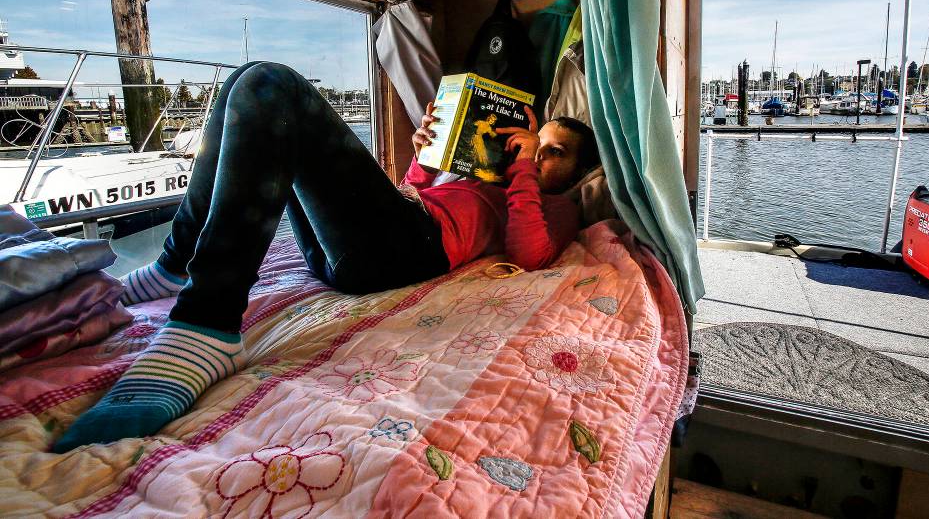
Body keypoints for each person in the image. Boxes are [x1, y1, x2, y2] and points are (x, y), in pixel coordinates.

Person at [54, 61, 599, 453]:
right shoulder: (481, 178)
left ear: (576, 172)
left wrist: (525, 169)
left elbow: (531, 254)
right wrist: (425, 158)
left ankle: (207, 323)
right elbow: (413, 198)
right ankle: (180, 262)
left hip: (410, 252)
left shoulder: (556, 204)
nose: (538, 153)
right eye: (536, 142)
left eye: (554, 152)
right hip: (360, 251)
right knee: (241, 86)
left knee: (275, 85)